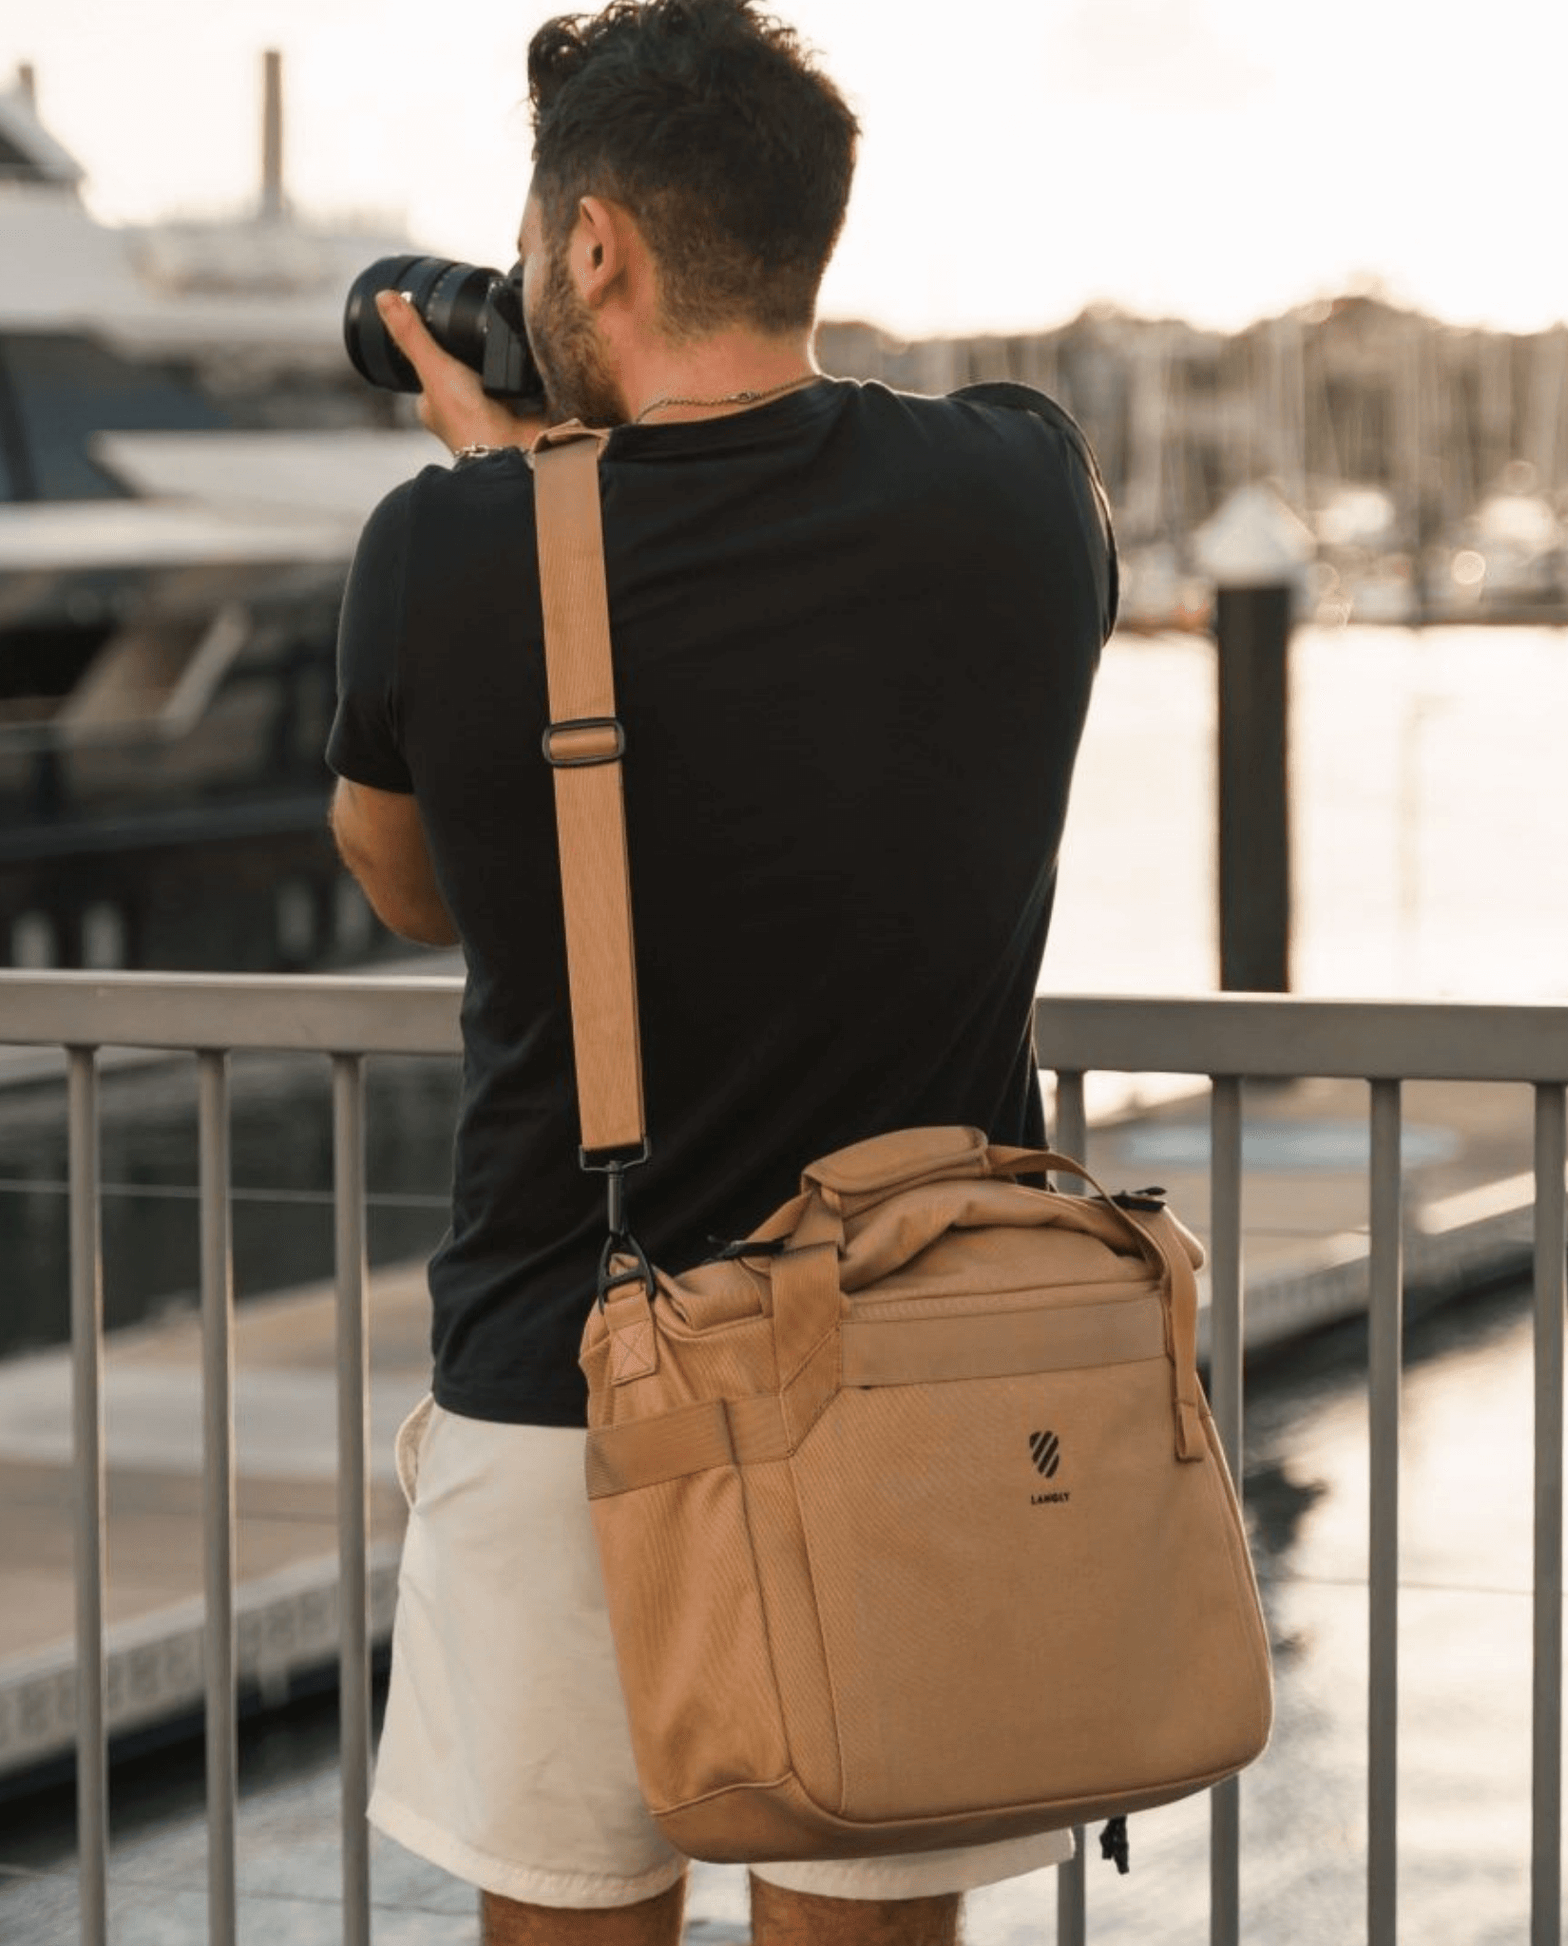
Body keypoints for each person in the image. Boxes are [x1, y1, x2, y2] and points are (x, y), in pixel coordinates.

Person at [326, 3, 1116, 1940]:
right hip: (914, 1365)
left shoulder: (445, 549)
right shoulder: (1026, 486)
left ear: (594, 244)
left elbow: (404, 886)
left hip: (569, 1368)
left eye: (538, 239)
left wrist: (521, 491)